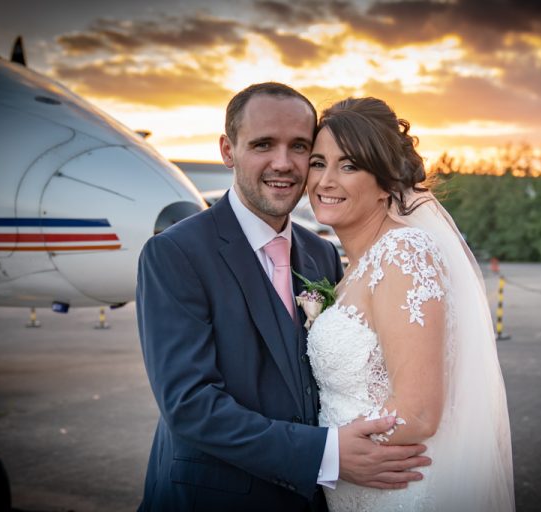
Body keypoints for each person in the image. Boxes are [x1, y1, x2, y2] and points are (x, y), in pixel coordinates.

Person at [136, 83, 431, 512]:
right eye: (263, 144)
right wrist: (325, 454)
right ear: (227, 150)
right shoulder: (175, 253)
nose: (283, 163)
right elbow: (190, 404)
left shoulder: (321, 253)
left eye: (299, 147)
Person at [305, 97, 516, 511]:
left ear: (386, 182)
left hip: (396, 493)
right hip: (353, 489)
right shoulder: (353, 266)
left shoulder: (402, 254)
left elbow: (418, 413)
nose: (326, 180)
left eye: (349, 166)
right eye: (317, 162)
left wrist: (326, 452)